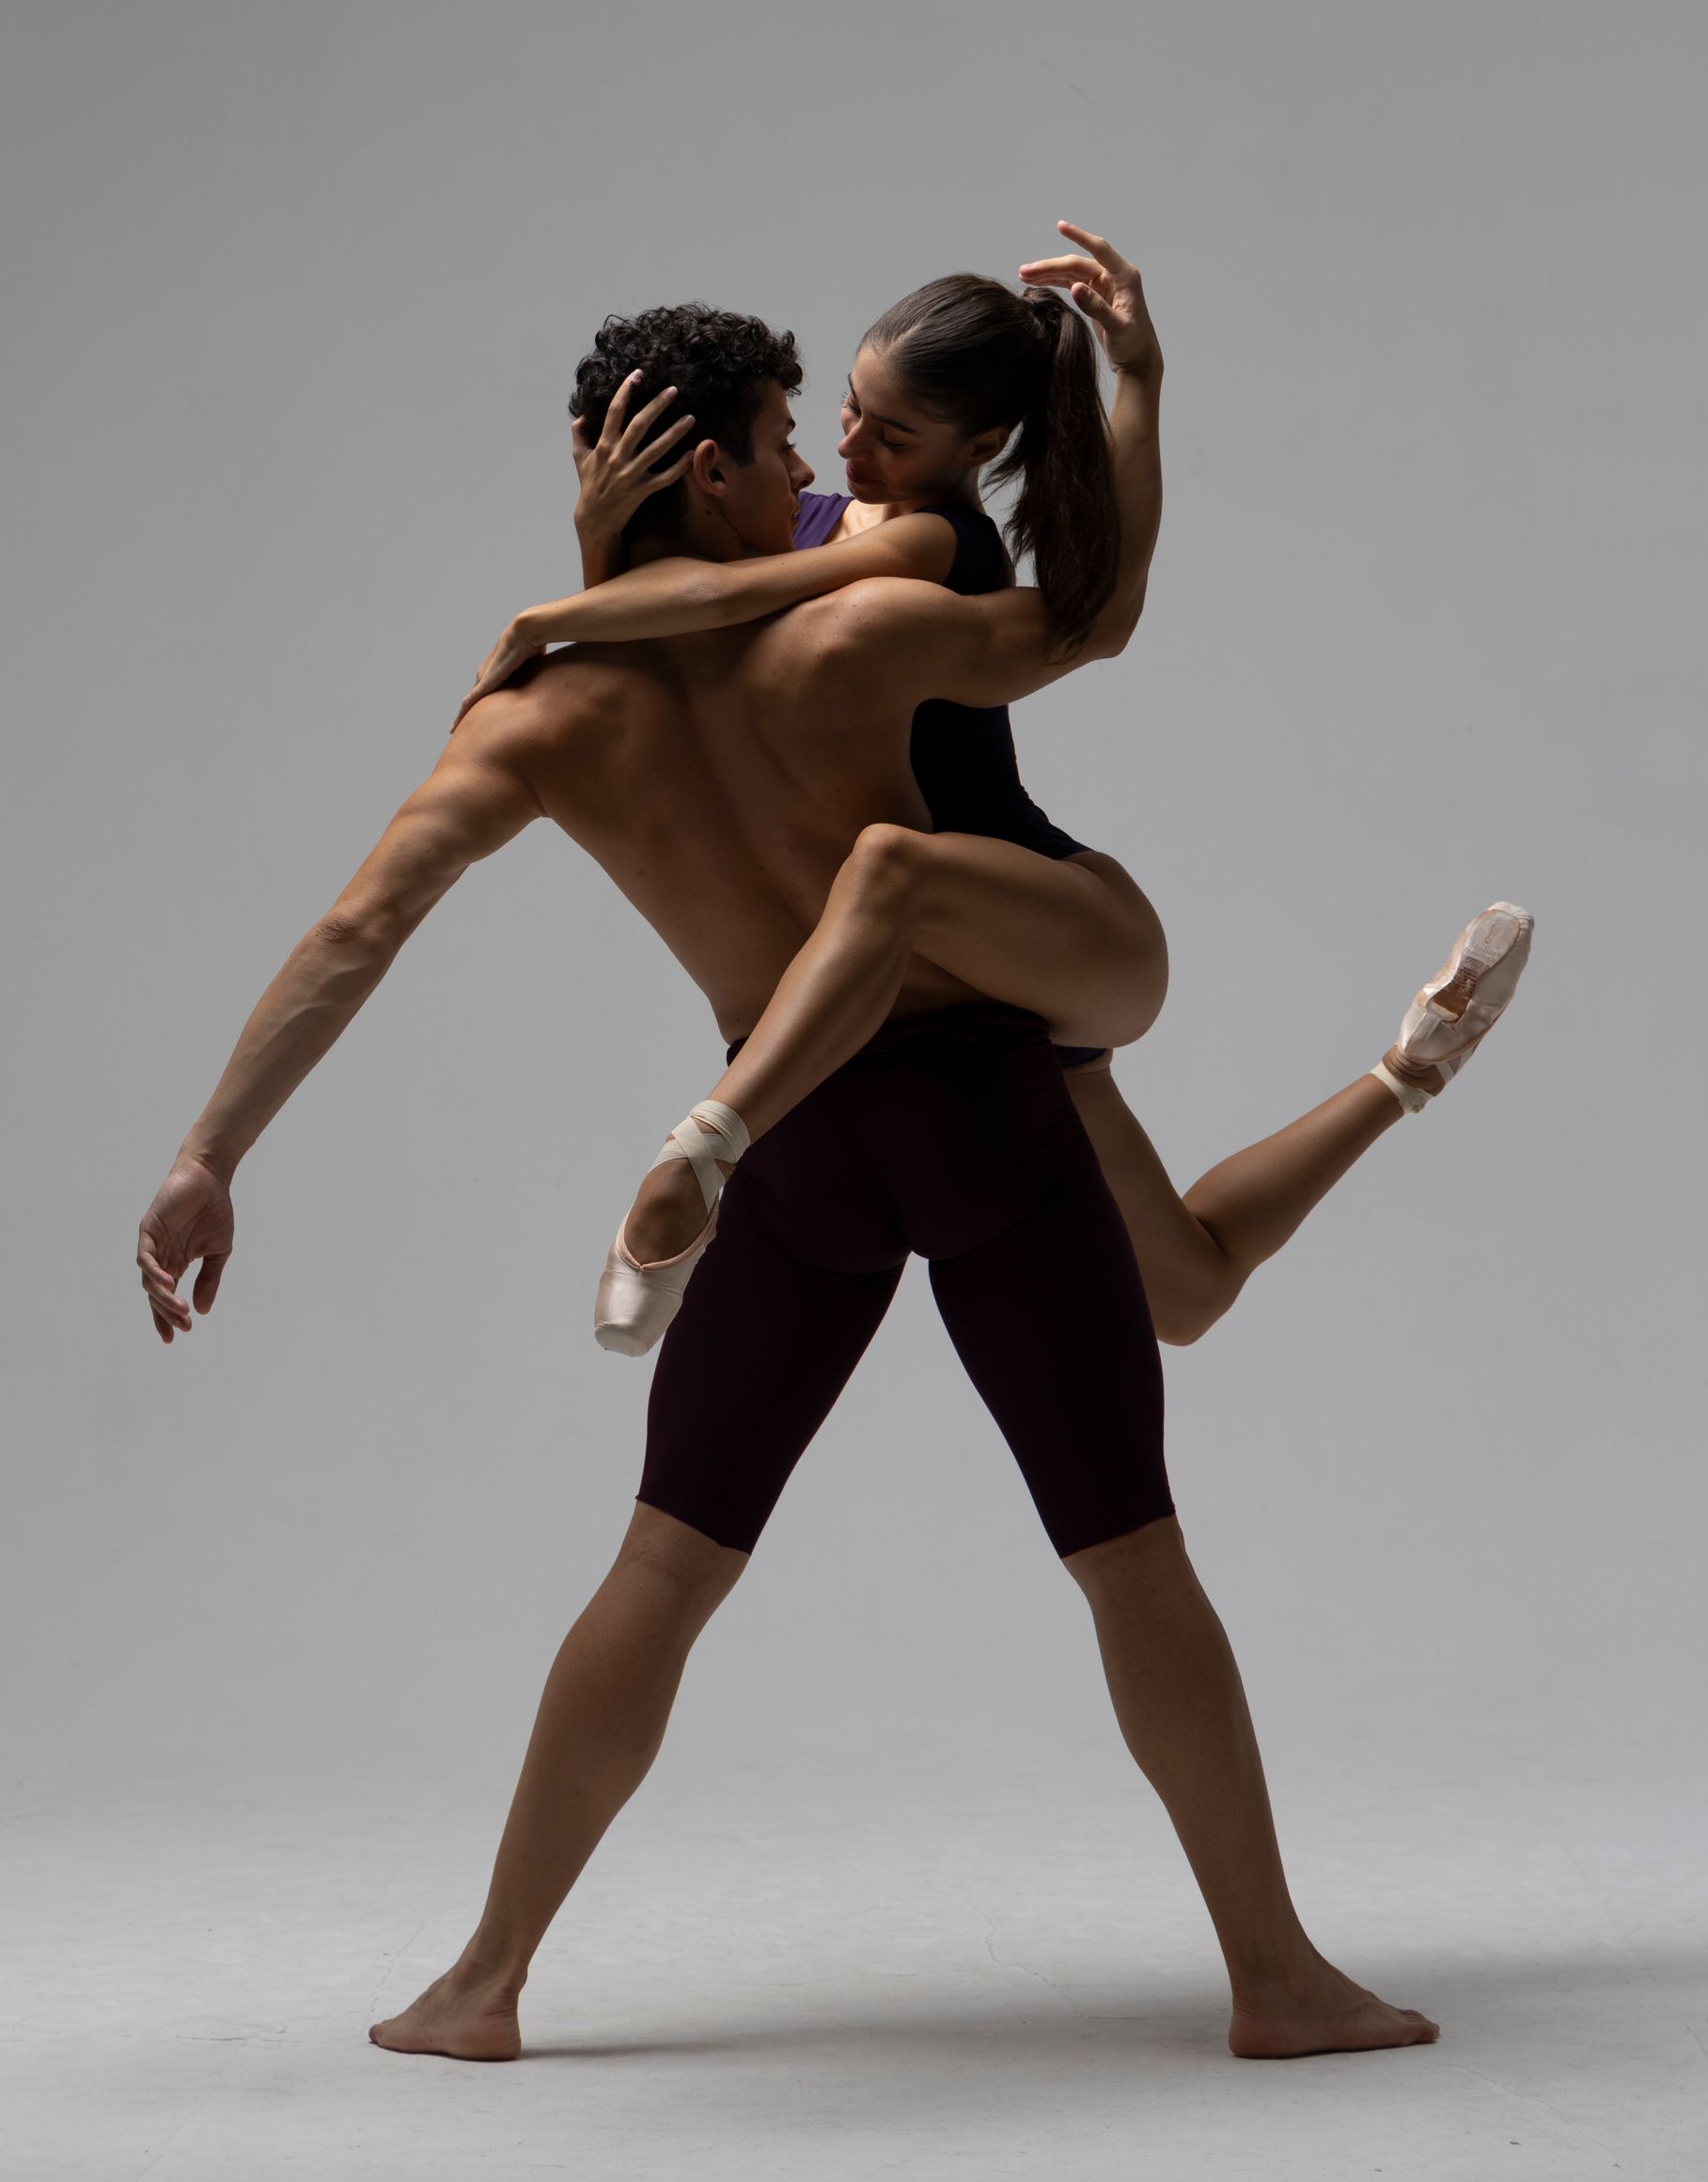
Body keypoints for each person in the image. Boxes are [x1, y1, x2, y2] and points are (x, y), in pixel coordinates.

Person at [136, 296, 1452, 2064]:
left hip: (801, 1146)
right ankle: (1278, 1978)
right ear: (709, 466)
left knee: (666, 1564)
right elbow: (1085, 620)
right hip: (982, 1108)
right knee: (1131, 1555)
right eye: (779, 444)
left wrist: (209, 1150)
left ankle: (482, 1982)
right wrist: (1135, 395)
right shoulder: (868, 632)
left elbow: (359, 925)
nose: (813, 472)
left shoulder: (532, 722)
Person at [456, 228, 1531, 1353]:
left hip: (1026, 923)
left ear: (980, 444)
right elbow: (673, 701)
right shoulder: (801, 515)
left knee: (890, 868)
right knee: (1190, 1296)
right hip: (952, 988)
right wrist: (600, 544)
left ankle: (701, 1156)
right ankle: (1412, 1069)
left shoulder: (932, 542)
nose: (850, 445)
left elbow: (731, 609)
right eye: (849, 409)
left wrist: (559, 608)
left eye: (893, 431)